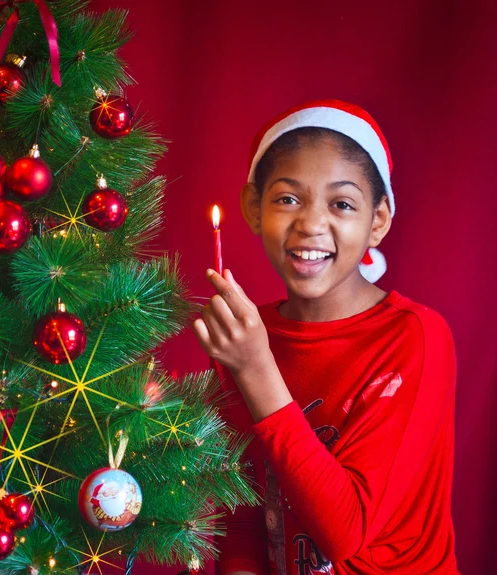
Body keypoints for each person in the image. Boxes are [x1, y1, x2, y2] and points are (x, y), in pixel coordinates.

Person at [192, 100, 459, 575]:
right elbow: (244, 515)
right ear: (254, 209)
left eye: (342, 204)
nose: (311, 224)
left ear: (377, 221)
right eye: (288, 199)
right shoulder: (246, 336)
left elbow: (344, 534)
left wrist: (256, 368)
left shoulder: (416, 338)